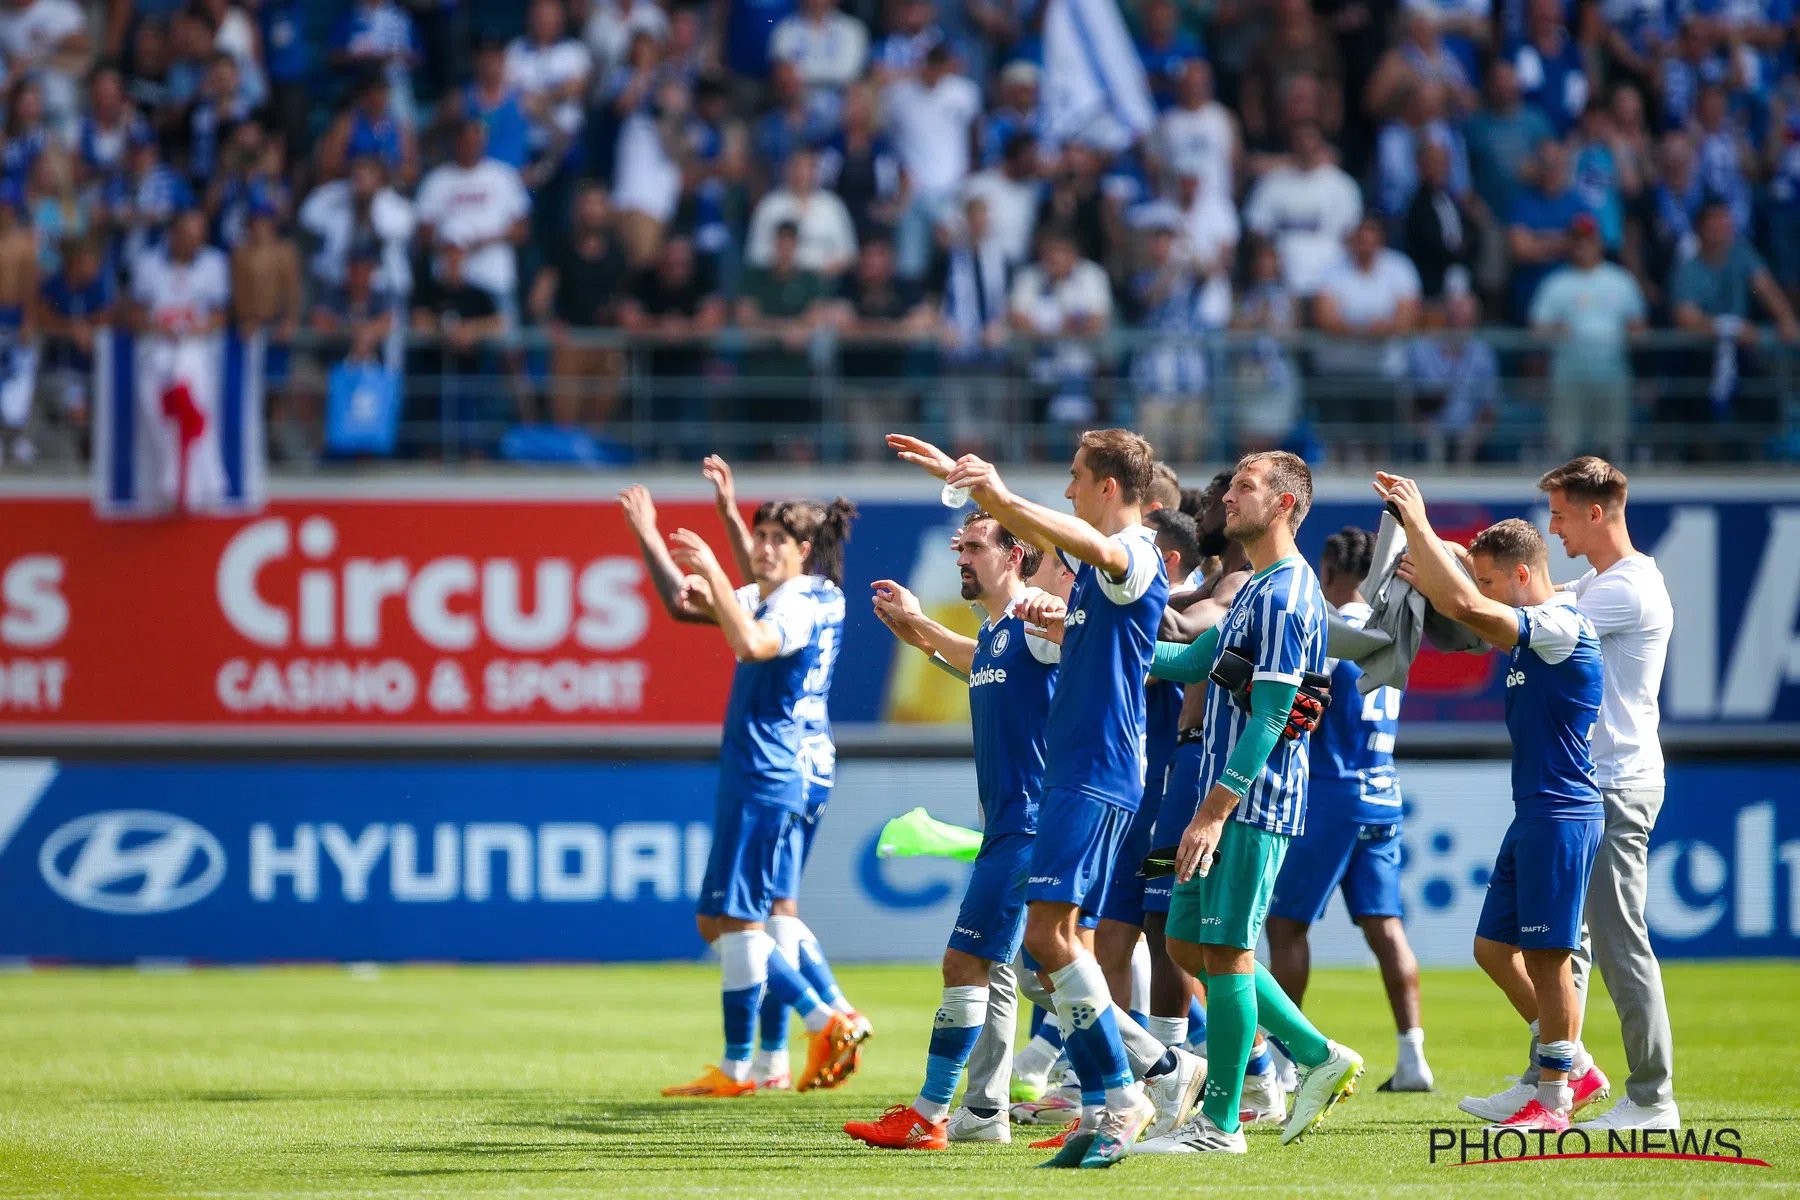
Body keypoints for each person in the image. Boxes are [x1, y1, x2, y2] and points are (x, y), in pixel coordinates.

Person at [889, 427, 1167, 1169]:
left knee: (1048, 947)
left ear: (1110, 486)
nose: (1070, 489)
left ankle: (1134, 1087)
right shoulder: (1072, 593)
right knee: (1053, 945)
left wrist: (998, 496)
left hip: (1089, 773)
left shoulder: (1131, 551)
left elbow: (1087, 545)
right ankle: (1117, 1095)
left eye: (1077, 477)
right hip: (1075, 775)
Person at [1137, 453, 1363, 1155]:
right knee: (1184, 942)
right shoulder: (1261, 587)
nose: (1227, 496)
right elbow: (1193, 661)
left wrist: (1211, 811)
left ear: (1286, 504)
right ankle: (1315, 1051)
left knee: (1228, 953)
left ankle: (1223, 1124)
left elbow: (1271, 716)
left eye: (1244, 487)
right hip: (1227, 802)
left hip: (1250, 805)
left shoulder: (1291, 593)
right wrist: (1095, 644)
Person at [1375, 474, 1610, 1134]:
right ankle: (1567, 1065)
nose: (1477, 594)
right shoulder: (1537, 621)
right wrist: (1433, 550)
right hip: (1536, 811)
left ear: (1521, 576)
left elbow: (1472, 610)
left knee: (1549, 957)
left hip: (1563, 814)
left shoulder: (1559, 626)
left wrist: (1419, 524)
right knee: (1491, 947)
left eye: (1488, 579)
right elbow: (1469, 597)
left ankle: (1556, 1098)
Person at [620, 481, 869, 1098]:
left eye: (774, 539)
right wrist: (681, 532)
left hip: (767, 769)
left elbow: (752, 640)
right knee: (762, 915)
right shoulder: (813, 594)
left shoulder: (793, 605)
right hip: (797, 764)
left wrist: (709, 561)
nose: (760, 548)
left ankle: (825, 1019)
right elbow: (695, 605)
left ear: (803, 549)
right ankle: (766, 1063)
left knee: (731, 922)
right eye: (757, 537)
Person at [845, 509, 1062, 1149]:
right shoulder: (997, 632)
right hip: (1007, 823)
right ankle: (984, 1111)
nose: (962, 558)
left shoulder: (1037, 619)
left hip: (1029, 822)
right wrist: (916, 625)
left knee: (974, 962)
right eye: (958, 547)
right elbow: (972, 659)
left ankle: (930, 1112)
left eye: (975, 547)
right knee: (1010, 972)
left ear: (1015, 554)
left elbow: (1097, 654)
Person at [1529, 457, 1677, 1132]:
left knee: (1620, 945)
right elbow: (1536, 594)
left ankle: (1652, 1100)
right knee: (1575, 944)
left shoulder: (1626, 591)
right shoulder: (1600, 580)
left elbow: (1527, 616)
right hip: (1601, 783)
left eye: (1560, 514)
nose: (1552, 527)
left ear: (1596, 513)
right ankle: (1552, 1083)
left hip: (1616, 783)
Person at [1265, 526, 1434, 1095]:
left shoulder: (1329, 634)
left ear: (1331, 572)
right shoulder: (1392, 634)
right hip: (1383, 790)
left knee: (1285, 925)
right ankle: (1413, 1057)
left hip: (1329, 795)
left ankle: (1288, 1062)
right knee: (1386, 927)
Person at [1528, 213, 1646, 461]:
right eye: (1578, 240)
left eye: (1589, 240)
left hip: (1612, 374)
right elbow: (1537, 329)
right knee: (1566, 447)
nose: (1584, 246)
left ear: (1599, 242)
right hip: (1569, 376)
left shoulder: (1621, 281)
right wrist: (1558, 331)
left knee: (1613, 447)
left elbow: (1639, 325)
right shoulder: (1556, 283)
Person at [529, 183, 629, 427]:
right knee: (566, 420)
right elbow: (538, 299)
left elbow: (627, 300)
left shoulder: (619, 252)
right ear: (577, 209)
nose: (593, 211)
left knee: (600, 423)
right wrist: (549, 325)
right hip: (570, 343)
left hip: (606, 344)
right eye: (587, 204)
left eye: (598, 204)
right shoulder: (562, 249)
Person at [414, 119, 530, 328]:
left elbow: (521, 229)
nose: (471, 145)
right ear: (455, 142)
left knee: (508, 345)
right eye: (465, 140)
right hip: (448, 282)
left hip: (494, 276)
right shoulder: (436, 180)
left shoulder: (503, 176)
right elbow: (424, 233)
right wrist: (454, 245)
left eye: (476, 140)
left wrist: (482, 240)